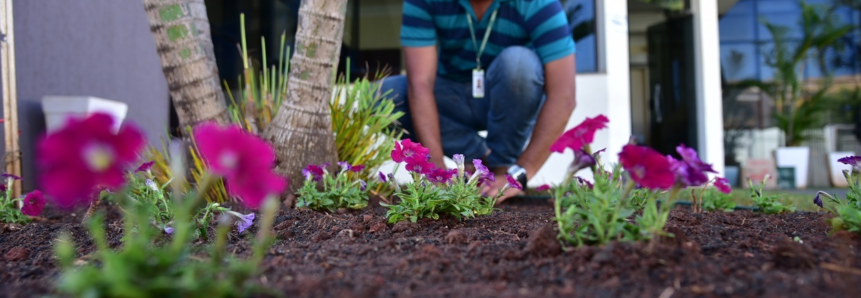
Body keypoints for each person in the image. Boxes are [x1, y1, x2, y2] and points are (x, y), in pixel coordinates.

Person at [380, 0, 578, 203]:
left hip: (510, 97)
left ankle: (503, 169)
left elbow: (563, 96)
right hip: (450, 95)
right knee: (384, 96)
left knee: (519, 64)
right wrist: (437, 172)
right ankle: (479, 157)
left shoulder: (538, 3)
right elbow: (420, 84)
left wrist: (521, 173)